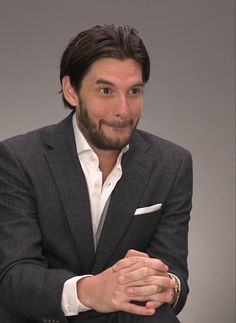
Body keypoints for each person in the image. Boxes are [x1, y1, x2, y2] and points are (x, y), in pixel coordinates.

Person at [0, 24, 193, 323]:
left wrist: (164, 286)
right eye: (106, 90)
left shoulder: (173, 163)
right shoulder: (18, 159)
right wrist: (91, 291)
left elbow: (175, 272)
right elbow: (15, 278)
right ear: (71, 90)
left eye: (134, 91)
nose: (123, 109)